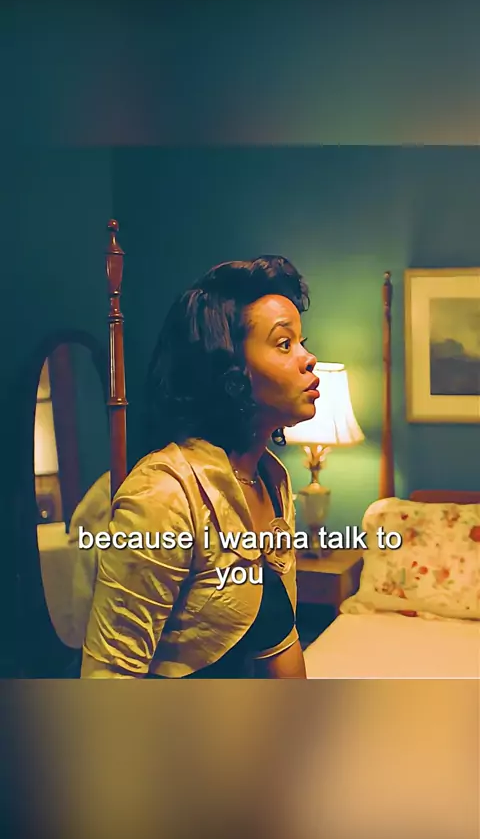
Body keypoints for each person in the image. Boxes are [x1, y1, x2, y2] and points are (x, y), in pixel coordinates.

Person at [81, 256, 319, 678]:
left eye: (302, 342)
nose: (309, 358)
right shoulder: (164, 495)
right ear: (231, 369)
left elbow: (278, 639)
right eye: (285, 344)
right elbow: (110, 677)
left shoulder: (271, 478)